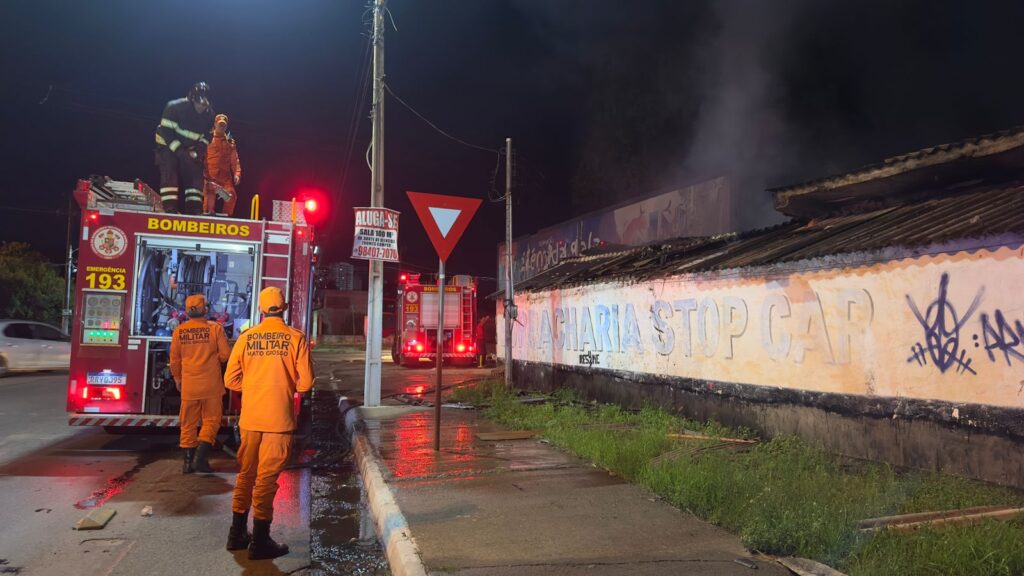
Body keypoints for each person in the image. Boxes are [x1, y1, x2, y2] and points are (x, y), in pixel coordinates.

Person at [224, 287, 314, 559]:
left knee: (246, 475)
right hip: (279, 420)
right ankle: (260, 541)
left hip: (251, 419)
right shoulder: (295, 338)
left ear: (261, 309)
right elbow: (306, 383)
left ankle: (236, 534)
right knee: (265, 480)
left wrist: (252, 388)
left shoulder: (246, 338)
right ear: (284, 307)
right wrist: (286, 387)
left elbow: (230, 380)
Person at [169, 294, 230, 474]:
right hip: (211, 384)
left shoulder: (179, 331)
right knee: (211, 421)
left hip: (189, 385)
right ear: (205, 309)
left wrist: (178, 379)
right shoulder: (215, 329)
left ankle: (187, 464)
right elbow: (226, 354)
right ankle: (200, 459)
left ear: (187, 311)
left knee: (188, 423)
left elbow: (174, 360)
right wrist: (212, 362)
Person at [155, 82, 215, 214]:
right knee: (169, 171)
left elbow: (207, 137)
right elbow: (166, 132)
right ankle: (170, 207)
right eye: (199, 104)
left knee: (195, 175)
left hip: (190, 147)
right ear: (191, 100)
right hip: (167, 145)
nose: (201, 108)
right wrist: (180, 152)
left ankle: (194, 209)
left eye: (204, 105)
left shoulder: (210, 115)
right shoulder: (174, 107)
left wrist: (198, 151)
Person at [204, 113, 242, 216]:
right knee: (209, 197)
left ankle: (226, 218)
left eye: (223, 125)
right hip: (209, 176)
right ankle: (207, 215)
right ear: (215, 124)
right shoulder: (207, 139)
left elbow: (235, 161)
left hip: (225, 178)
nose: (221, 126)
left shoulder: (230, 142)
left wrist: (237, 174)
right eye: (220, 124)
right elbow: (201, 157)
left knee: (231, 195)